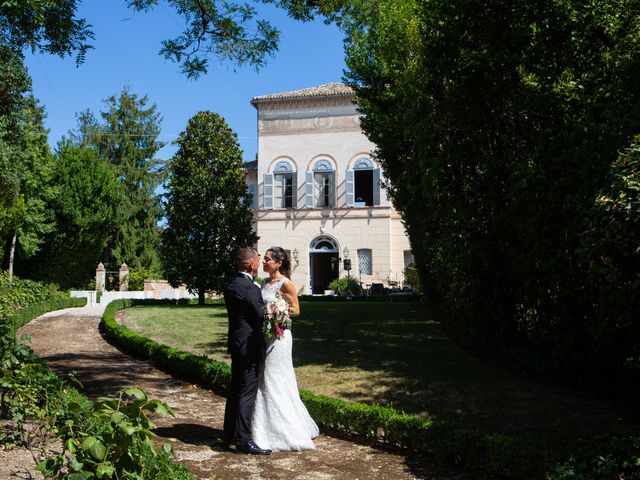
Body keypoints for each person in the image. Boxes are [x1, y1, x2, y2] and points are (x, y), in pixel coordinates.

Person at [251, 246, 319, 451]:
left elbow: (296, 310)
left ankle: (286, 430)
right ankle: (262, 427)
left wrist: (277, 310)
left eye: (268, 259)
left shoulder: (286, 283)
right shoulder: (263, 283)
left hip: (280, 337)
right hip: (265, 336)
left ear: (278, 263)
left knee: (275, 377)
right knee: (264, 377)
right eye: (264, 259)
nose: (264, 262)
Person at [223, 247, 271, 455]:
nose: (259, 263)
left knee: (235, 388)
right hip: (249, 345)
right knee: (247, 391)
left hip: (236, 343)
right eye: (258, 260)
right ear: (251, 264)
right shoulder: (250, 288)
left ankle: (229, 434)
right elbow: (261, 316)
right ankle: (243, 440)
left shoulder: (232, 285)